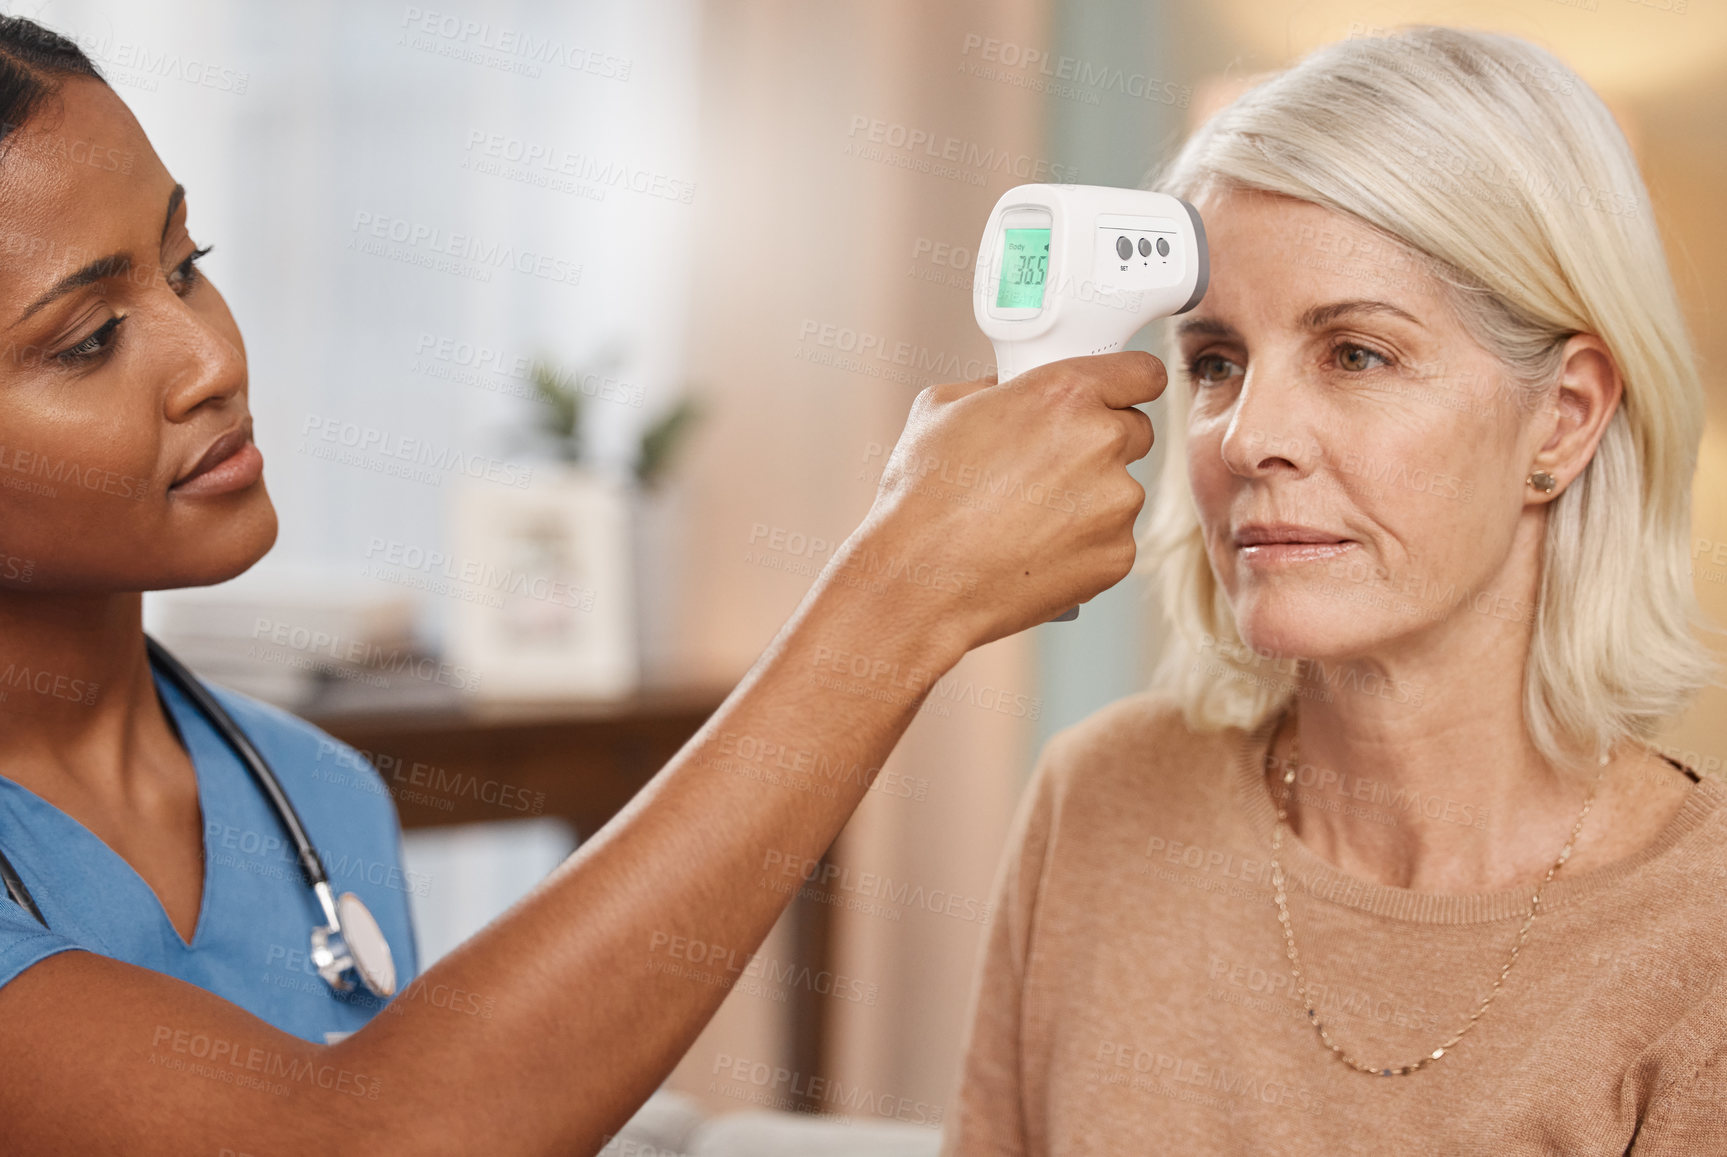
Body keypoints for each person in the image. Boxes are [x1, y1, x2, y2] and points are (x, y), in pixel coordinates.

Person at [0, 15, 1164, 1155]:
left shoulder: (314, 794)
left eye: (188, 265)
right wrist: (898, 594)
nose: (212, 358)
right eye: (91, 337)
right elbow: (366, 1133)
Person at [942, 25, 1727, 1157]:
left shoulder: (1693, 934)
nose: (1247, 435)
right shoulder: (1097, 801)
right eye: (1214, 361)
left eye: (1354, 353)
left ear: (1561, 415)